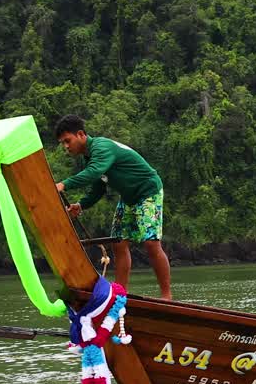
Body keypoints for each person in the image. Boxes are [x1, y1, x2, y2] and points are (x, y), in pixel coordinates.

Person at [53, 114, 172, 300]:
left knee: (151, 243)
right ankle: (119, 294)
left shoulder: (101, 147)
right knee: (118, 243)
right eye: (62, 143)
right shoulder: (89, 157)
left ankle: (166, 296)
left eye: (68, 141)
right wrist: (81, 205)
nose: (66, 147)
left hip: (147, 191)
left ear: (81, 134)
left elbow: (94, 173)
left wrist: (64, 184)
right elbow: (98, 188)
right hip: (128, 197)